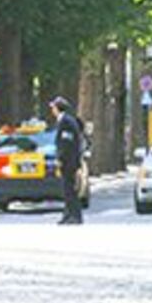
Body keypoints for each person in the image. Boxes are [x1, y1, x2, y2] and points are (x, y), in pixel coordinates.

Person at [50, 96, 85, 225]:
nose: (52, 110)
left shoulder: (66, 122)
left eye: (53, 107)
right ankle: (68, 214)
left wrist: (60, 158)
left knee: (70, 189)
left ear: (58, 108)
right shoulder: (65, 120)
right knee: (67, 189)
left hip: (69, 161)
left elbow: (66, 143)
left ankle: (75, 216)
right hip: (70, 160)